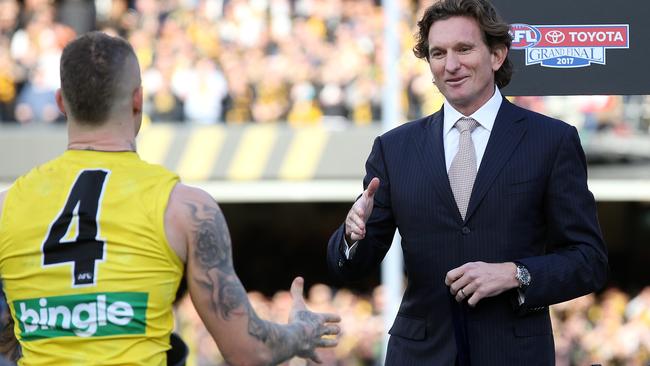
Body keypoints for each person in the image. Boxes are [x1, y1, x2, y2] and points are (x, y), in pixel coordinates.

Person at [0, 31, 340, 365]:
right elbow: (249, 351)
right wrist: (301, 332)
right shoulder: (186, 208)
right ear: (138, 99)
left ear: (61, 102)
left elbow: (5, 337)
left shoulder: (7, 206)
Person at [326, 0, 608, 365]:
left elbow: (589, 261)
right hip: (419, 354)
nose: (451, 64)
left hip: (515, 354)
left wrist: (516, 273)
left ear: (496, 55)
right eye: (438, 53)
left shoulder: (551, 141)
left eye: (464, 49)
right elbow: (351, 266)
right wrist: (351, 237)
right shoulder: (394, 148)